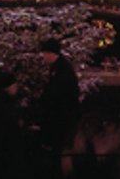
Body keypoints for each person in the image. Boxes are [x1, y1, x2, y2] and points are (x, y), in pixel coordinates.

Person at [34, 38, 81, 174]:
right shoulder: (59, 68)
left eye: (44, 53)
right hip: (62, 120)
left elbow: (57, 98)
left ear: (51, 53)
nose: (43, 57)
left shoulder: (61, 72)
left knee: (59, 153)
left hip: (61, 121)